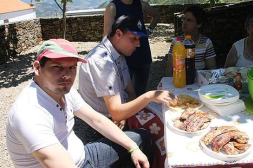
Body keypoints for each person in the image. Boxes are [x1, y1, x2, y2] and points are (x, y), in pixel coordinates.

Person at [6, 38, 154, 168]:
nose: (66, 75)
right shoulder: (29, 114)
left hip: (85, 156)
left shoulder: (64, 91)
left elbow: (96, 120)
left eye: (72, 67)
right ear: (38, 68)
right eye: (57, 67)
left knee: (142, 138)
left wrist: (133, 148)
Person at [79, 15, 175, 129]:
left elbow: (130, 92)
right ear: (118, 34)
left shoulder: (118, 53)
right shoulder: (102, 62)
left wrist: (125, 112)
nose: (138, 44)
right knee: (162, 128)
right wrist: (149, 96)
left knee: (169, 116)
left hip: (121, 113)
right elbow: (116, 113)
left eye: (139, 39)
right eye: (134, 38)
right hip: (105, 123)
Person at [103, 0, 160, 96]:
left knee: (140, 91)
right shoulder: (113, 7)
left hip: (143, 54)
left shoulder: (140, 5)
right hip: (124, 59)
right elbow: (107, 36)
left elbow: (156, 15)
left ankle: (140, 115)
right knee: (124, 93)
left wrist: (149, 30)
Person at [165, 5, 217, 77]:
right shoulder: (176, 42)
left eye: (189, 20)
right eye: (184, 19)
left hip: (200, 84)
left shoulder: (206, 42)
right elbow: (169, 71)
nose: (184, 23)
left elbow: (212, 70)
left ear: (199, 24)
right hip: (180, 82)